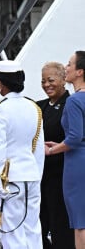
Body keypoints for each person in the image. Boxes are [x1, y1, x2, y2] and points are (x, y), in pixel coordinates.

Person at [0, 60, 45, 249]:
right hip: (32, 177)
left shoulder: (0, 109)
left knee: (12, 234)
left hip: (9, 180)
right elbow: (38, 149)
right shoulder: (34, 107)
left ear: (0, 84)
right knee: (33, 231)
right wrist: (37, 176)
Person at [45, 51, 85, 249]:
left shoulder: (74, 101)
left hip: (77, 164)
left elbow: (74, 138)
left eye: (69, 64)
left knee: (80, 223)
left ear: (79, 72)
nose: (66, 67)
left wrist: (52, 150)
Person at [37, 62, 74, 249]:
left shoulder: (71, 104)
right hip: (39, 175)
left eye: (51, 80)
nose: (46, 85)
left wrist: (52, 149)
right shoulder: (37, 106)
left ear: (63, 80)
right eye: (43, 81)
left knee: (61, 225)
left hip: (61, 173)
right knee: (39, 224)